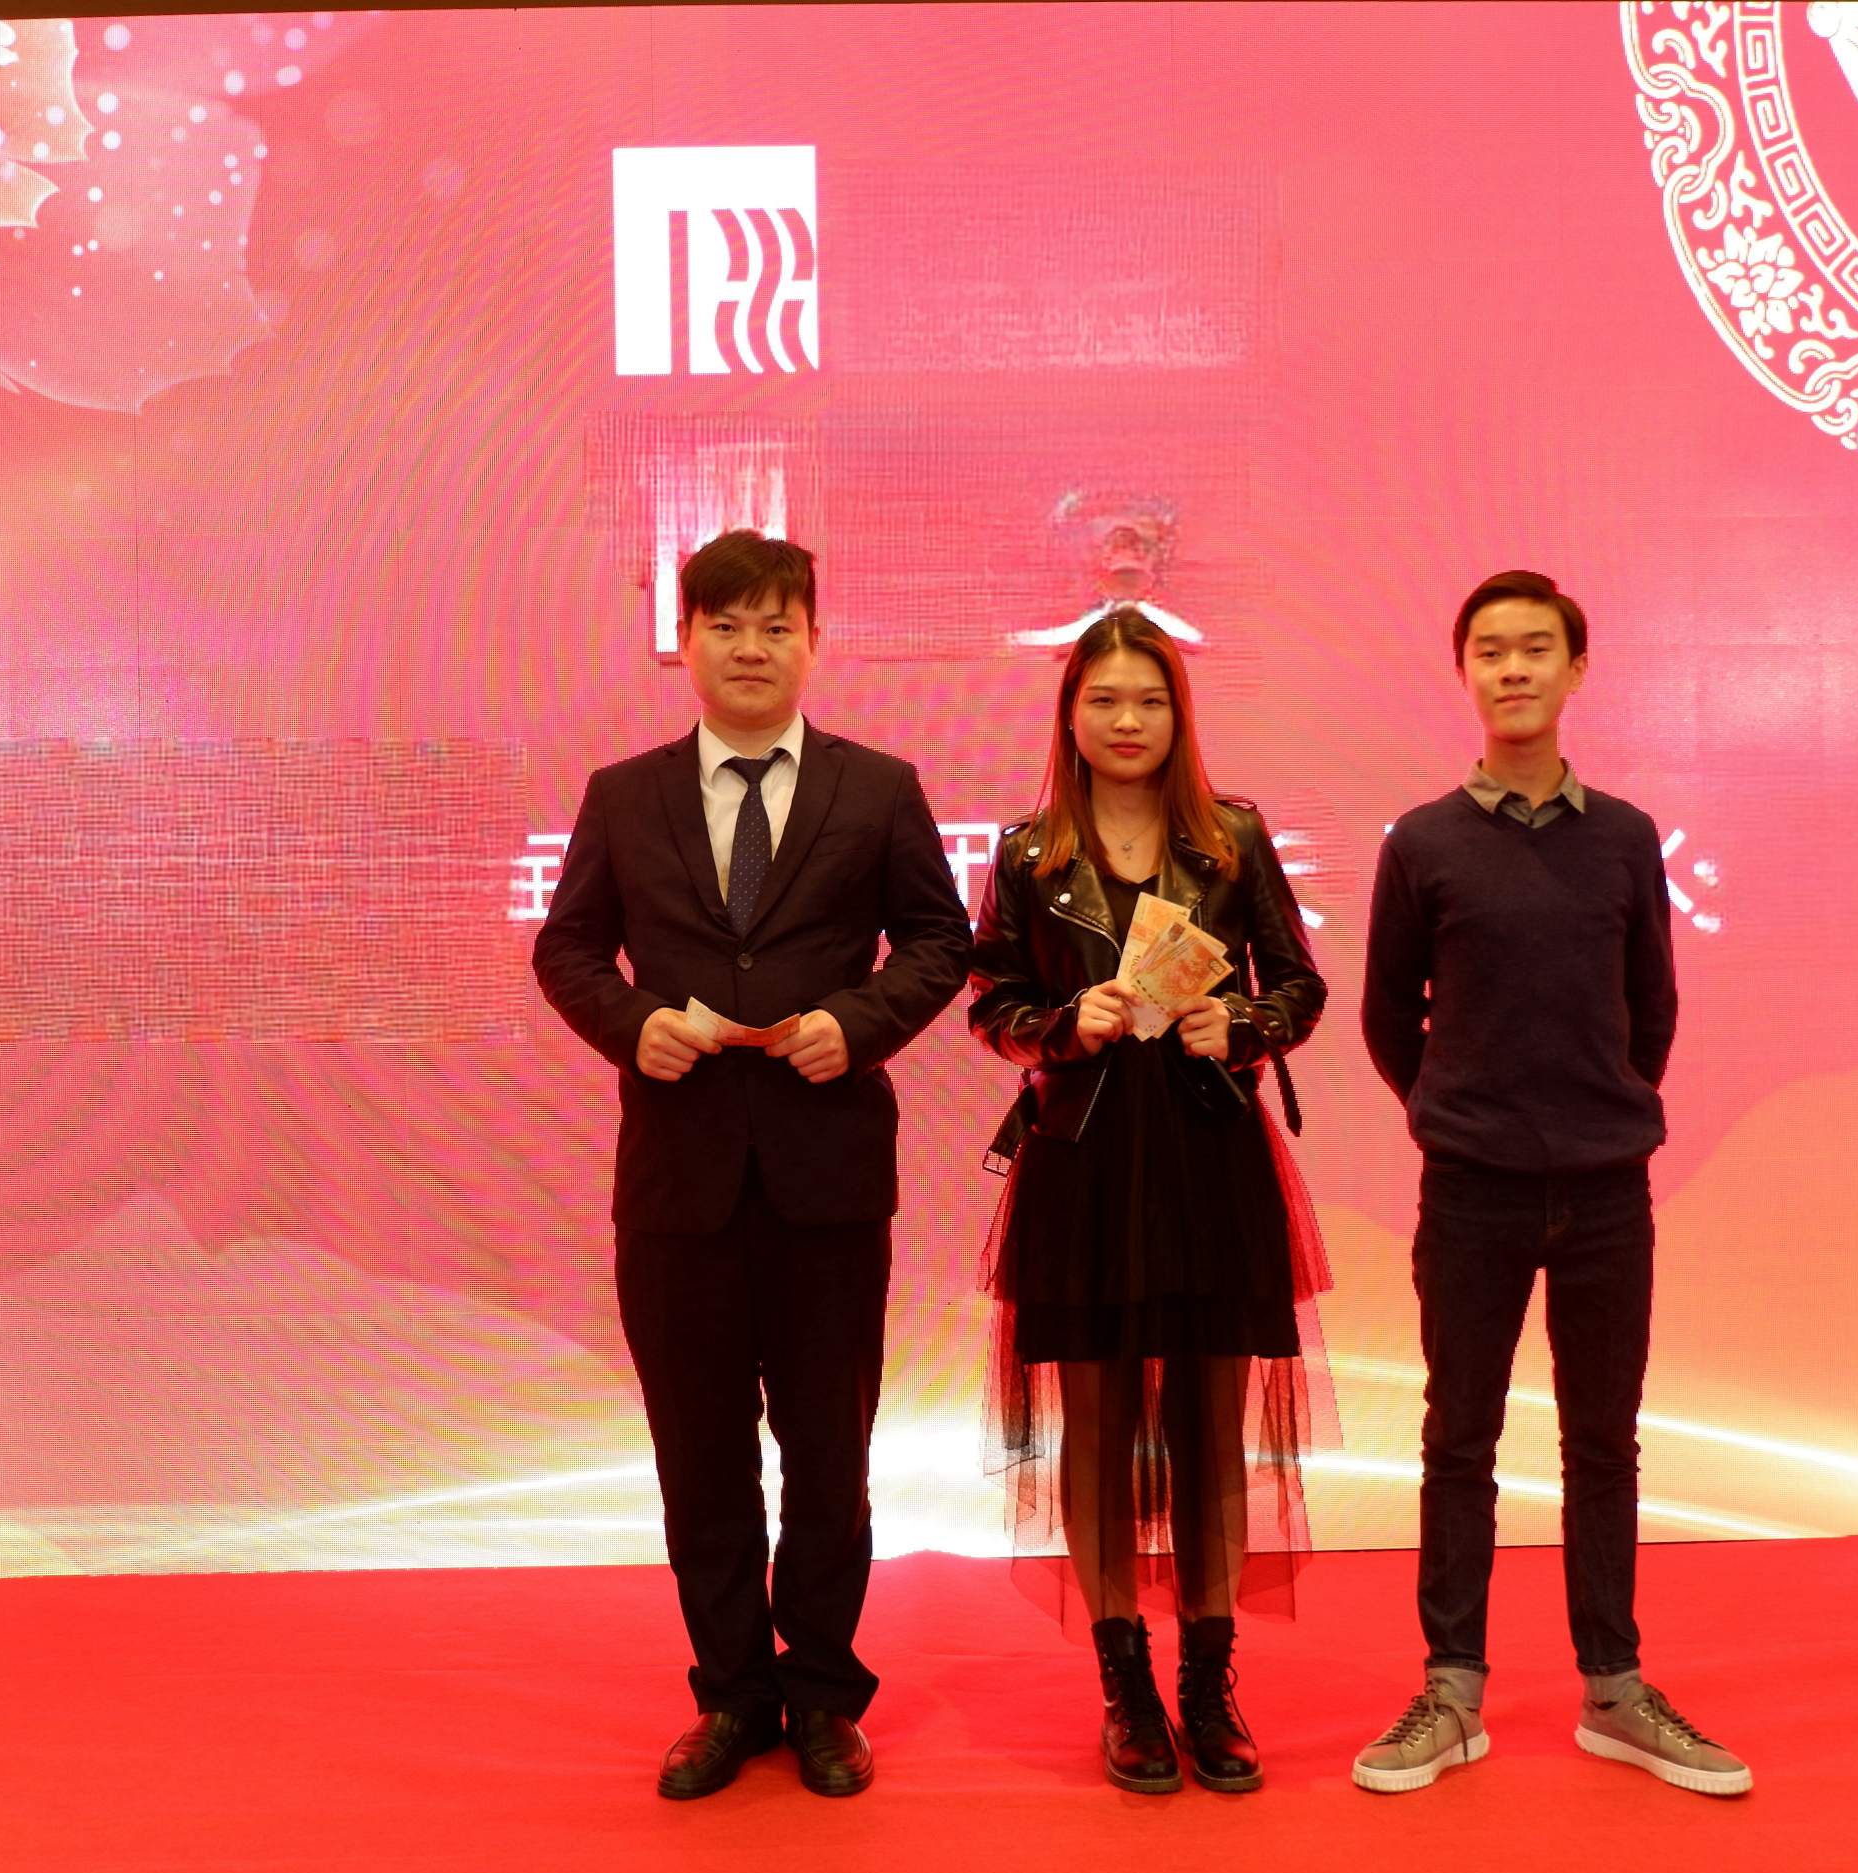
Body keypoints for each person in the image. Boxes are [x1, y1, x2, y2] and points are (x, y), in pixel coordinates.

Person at [532, 530, 971, 1801]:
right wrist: (634, 1024)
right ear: (685, 641)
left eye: (778, 625)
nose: (751, 647)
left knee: (831, 1458)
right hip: (678, 1185)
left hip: (828, 1180)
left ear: (813, 642)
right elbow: (568, 951)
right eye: (725, 624)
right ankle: (731, 1694)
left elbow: (939, 942)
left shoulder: (877, 787)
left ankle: (824, 1693)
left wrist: (859, 1022)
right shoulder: (625, 793)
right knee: (702, 1460)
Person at [1351, 569, 1750, 1798]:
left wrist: (1595, 1108)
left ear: (1577, 670)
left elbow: (1651, 1009)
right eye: (1490, 650)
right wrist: (1459, 1111)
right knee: (1457, 1436)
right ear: (1463, 672)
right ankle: (1451, 1689)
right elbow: (1387, 1017)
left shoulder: (1625, 836)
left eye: (1536, 648)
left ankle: (1614, 1688)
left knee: (1603, 1440)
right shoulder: (1421, 842)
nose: (1513, 668)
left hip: (1605, 1189)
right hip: (1471, 1187)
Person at [967, 607, 1331, 1794]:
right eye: (1105, 699)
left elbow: (1301, 982)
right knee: (1099, 1424)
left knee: (1211, 1423)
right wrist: (1059, 1024)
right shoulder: (1027, 855)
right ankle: (1124, 1683)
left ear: (1179, 713)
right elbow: (990, 1004)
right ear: (1070, 715)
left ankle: (1208, 1682)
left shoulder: (1233, 837)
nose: (1128, 720)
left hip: (1210, 1151)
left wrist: (1247, 1022)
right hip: (1081, 1159)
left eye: (1150, 699)